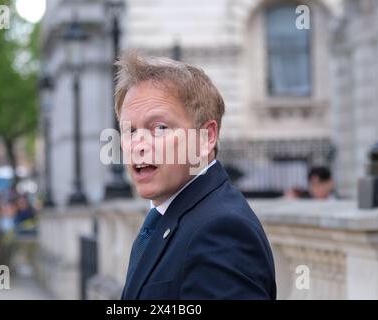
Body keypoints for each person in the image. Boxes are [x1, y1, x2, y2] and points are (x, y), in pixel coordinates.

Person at [117, 52, 276, 300]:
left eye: (159, 128)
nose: (138, 144)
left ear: (206, 138)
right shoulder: (169, 215)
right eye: (130, 130)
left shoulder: (221, 231)